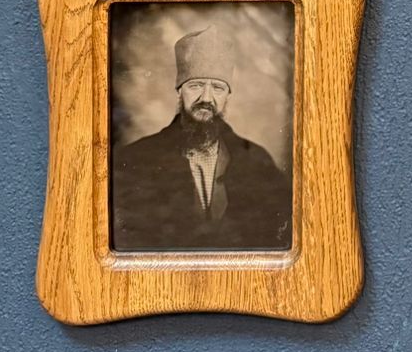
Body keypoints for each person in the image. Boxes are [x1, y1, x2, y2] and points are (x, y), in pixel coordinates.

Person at [112, 25, 291, 251]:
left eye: (217, 87)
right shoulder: (135, 160)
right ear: (180, 90)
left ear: (227, 96)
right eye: (195, 85)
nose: (206, 98)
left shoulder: (257, 162)